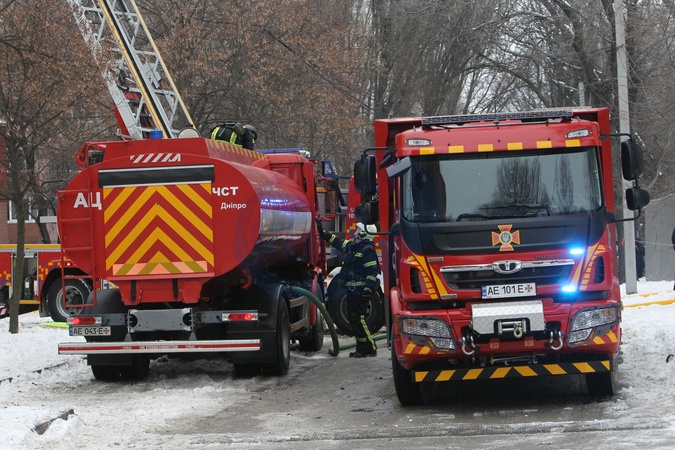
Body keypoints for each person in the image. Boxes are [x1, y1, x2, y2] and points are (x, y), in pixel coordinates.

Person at [316, 219, 380, 357]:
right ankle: (361, 348)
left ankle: (370, 347)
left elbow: (372, 272)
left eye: (358, 230)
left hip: (360, 291)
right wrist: (323, 232)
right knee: (354, 319)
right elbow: (337, 242)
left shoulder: (367, 250)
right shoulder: (354, 246)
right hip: (353, 291)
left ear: (364, 233)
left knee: (360, 319)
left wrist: (367, 290)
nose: (355, 231)